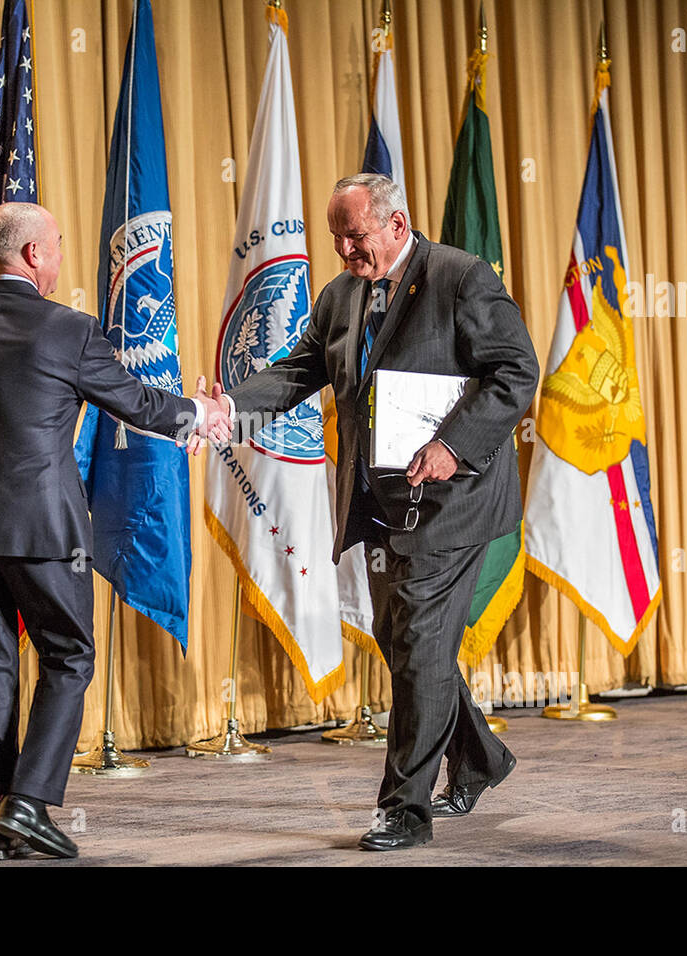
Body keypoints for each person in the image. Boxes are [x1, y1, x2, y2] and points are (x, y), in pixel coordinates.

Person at [0, 201, 228, 860]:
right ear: (33, 256)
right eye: (59, 246)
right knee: (69, 657)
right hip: (46, 530)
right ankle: (27, 804)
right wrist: (200, 413)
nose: (62, 258)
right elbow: (134, 401)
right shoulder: (68, 330)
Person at [219, 173, 540, 850]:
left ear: (397, 225)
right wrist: (230, 408)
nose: (342, 248)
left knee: (419, 644)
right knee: (410, 646)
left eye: (354, 234)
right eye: (336, 234)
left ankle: (405, 809)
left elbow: (515, 372)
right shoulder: (339, 295)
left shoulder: (461, 277)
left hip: (456, 497)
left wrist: (453, 445)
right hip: (384, 500)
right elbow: (300, 369)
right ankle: (480, 756)